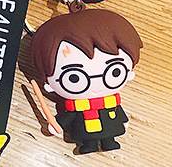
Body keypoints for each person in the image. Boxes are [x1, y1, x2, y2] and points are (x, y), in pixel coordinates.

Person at [31, 8, 142, 154]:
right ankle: (90, 145)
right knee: (88, 139)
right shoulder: (75, 106)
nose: (95, 82)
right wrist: (57, 124)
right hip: (84, 129)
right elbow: (67, 117)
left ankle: (109, 141)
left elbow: (118, 111)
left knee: (109, 135)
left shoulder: (110, 102)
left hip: (109, 124)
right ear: (49, 85)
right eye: (74, 77)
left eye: (115, 71)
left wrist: (124, 120)